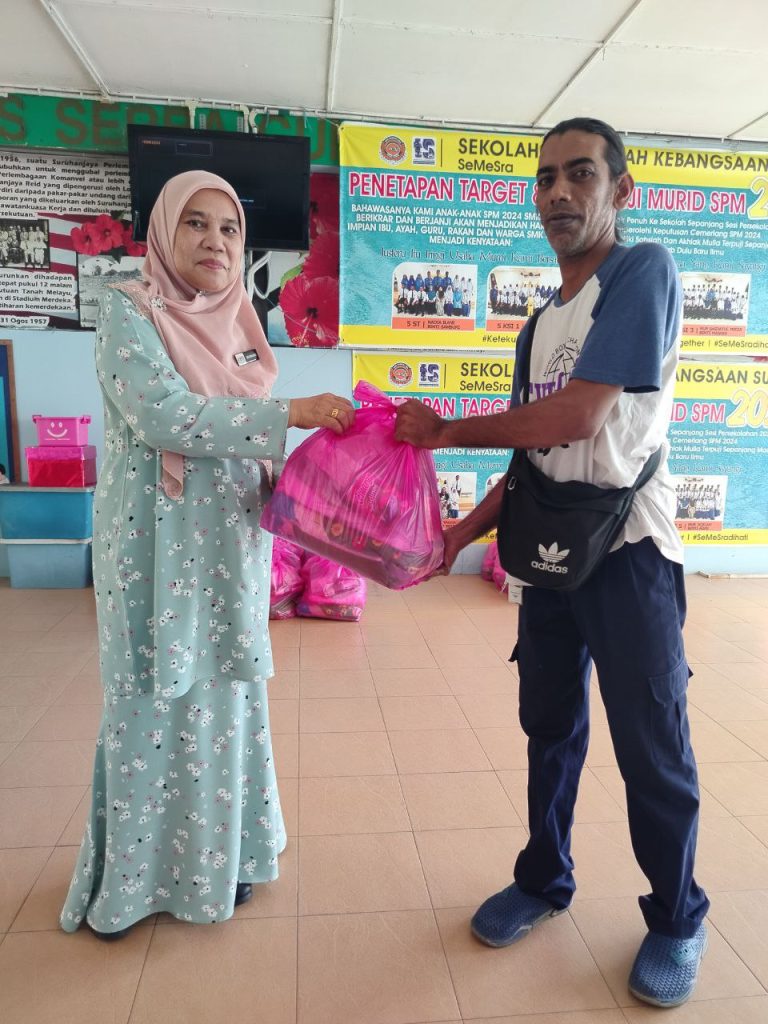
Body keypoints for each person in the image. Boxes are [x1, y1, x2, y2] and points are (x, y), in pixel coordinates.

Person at [394, 117, 708, 1010]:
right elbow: (531, 459)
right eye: (545, 179)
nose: (559, 193)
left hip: (631, 552)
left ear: (621, 191)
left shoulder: (641, 273)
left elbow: (579, 417)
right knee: (550, 728)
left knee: (652, 745)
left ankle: (678, 917)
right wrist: (457, 536)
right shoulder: (538, 326)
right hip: (551, 559)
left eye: (580, 175)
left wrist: (445, 429)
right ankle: (543, 878)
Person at [60, 170, 354, 940]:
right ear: (163, 232)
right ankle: (133, 887)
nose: (215, 241)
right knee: (150, 702)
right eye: (195, 223)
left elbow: (247, 432)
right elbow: (166, 416)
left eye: (229, 229)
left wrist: (309, 468)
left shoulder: (238, 322)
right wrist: (289, 413)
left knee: (227, 702)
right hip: (154, 552)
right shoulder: (128, 312)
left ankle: (230, 858)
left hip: (231, 545)